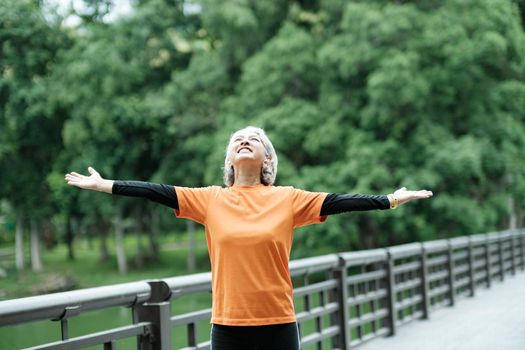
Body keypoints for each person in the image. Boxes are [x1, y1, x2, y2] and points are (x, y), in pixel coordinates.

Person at [65, 126, 433, 349]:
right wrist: (106, 185)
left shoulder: (287, 198)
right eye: (237, 140)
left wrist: (389, 200)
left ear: (267, 159)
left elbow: (339, 201)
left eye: (253, 139)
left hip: (278, 321)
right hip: (228, 324)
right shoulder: (209, 199)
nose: (244, 141)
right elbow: (154, 191)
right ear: (229, 160)